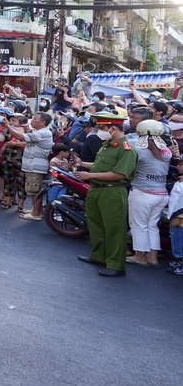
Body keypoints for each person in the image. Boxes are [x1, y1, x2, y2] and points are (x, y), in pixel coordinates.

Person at [74, 109, 138, 277]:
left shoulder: (126, 149)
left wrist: (90, 175)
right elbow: (101, 166)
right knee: (96, 225)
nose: (99, 131)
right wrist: (85, 165)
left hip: (113, 192)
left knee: (114, 229)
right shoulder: (107, 146)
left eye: (102, 128)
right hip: (97, 190)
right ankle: (99, 256)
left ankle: (116, 265)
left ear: (113, 129)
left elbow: (120, 174)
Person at [125, 119, 173, 267]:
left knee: (138, 225)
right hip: (162, 194)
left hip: (143, 193)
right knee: (152, 226)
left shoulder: (138, 149)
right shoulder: (166, 150)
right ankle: (152, 257)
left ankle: (139, 256)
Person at [4, 112, 54, 220]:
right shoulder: (40, 132)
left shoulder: (42, 133)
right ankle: (37, 210)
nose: (32, 120)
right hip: (33, 165)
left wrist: (8, 125)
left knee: (34, 190)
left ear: (42, 122)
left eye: (35, 119)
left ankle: (36, 214)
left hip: (35, 166)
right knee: (34, 189)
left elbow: (20, 136)